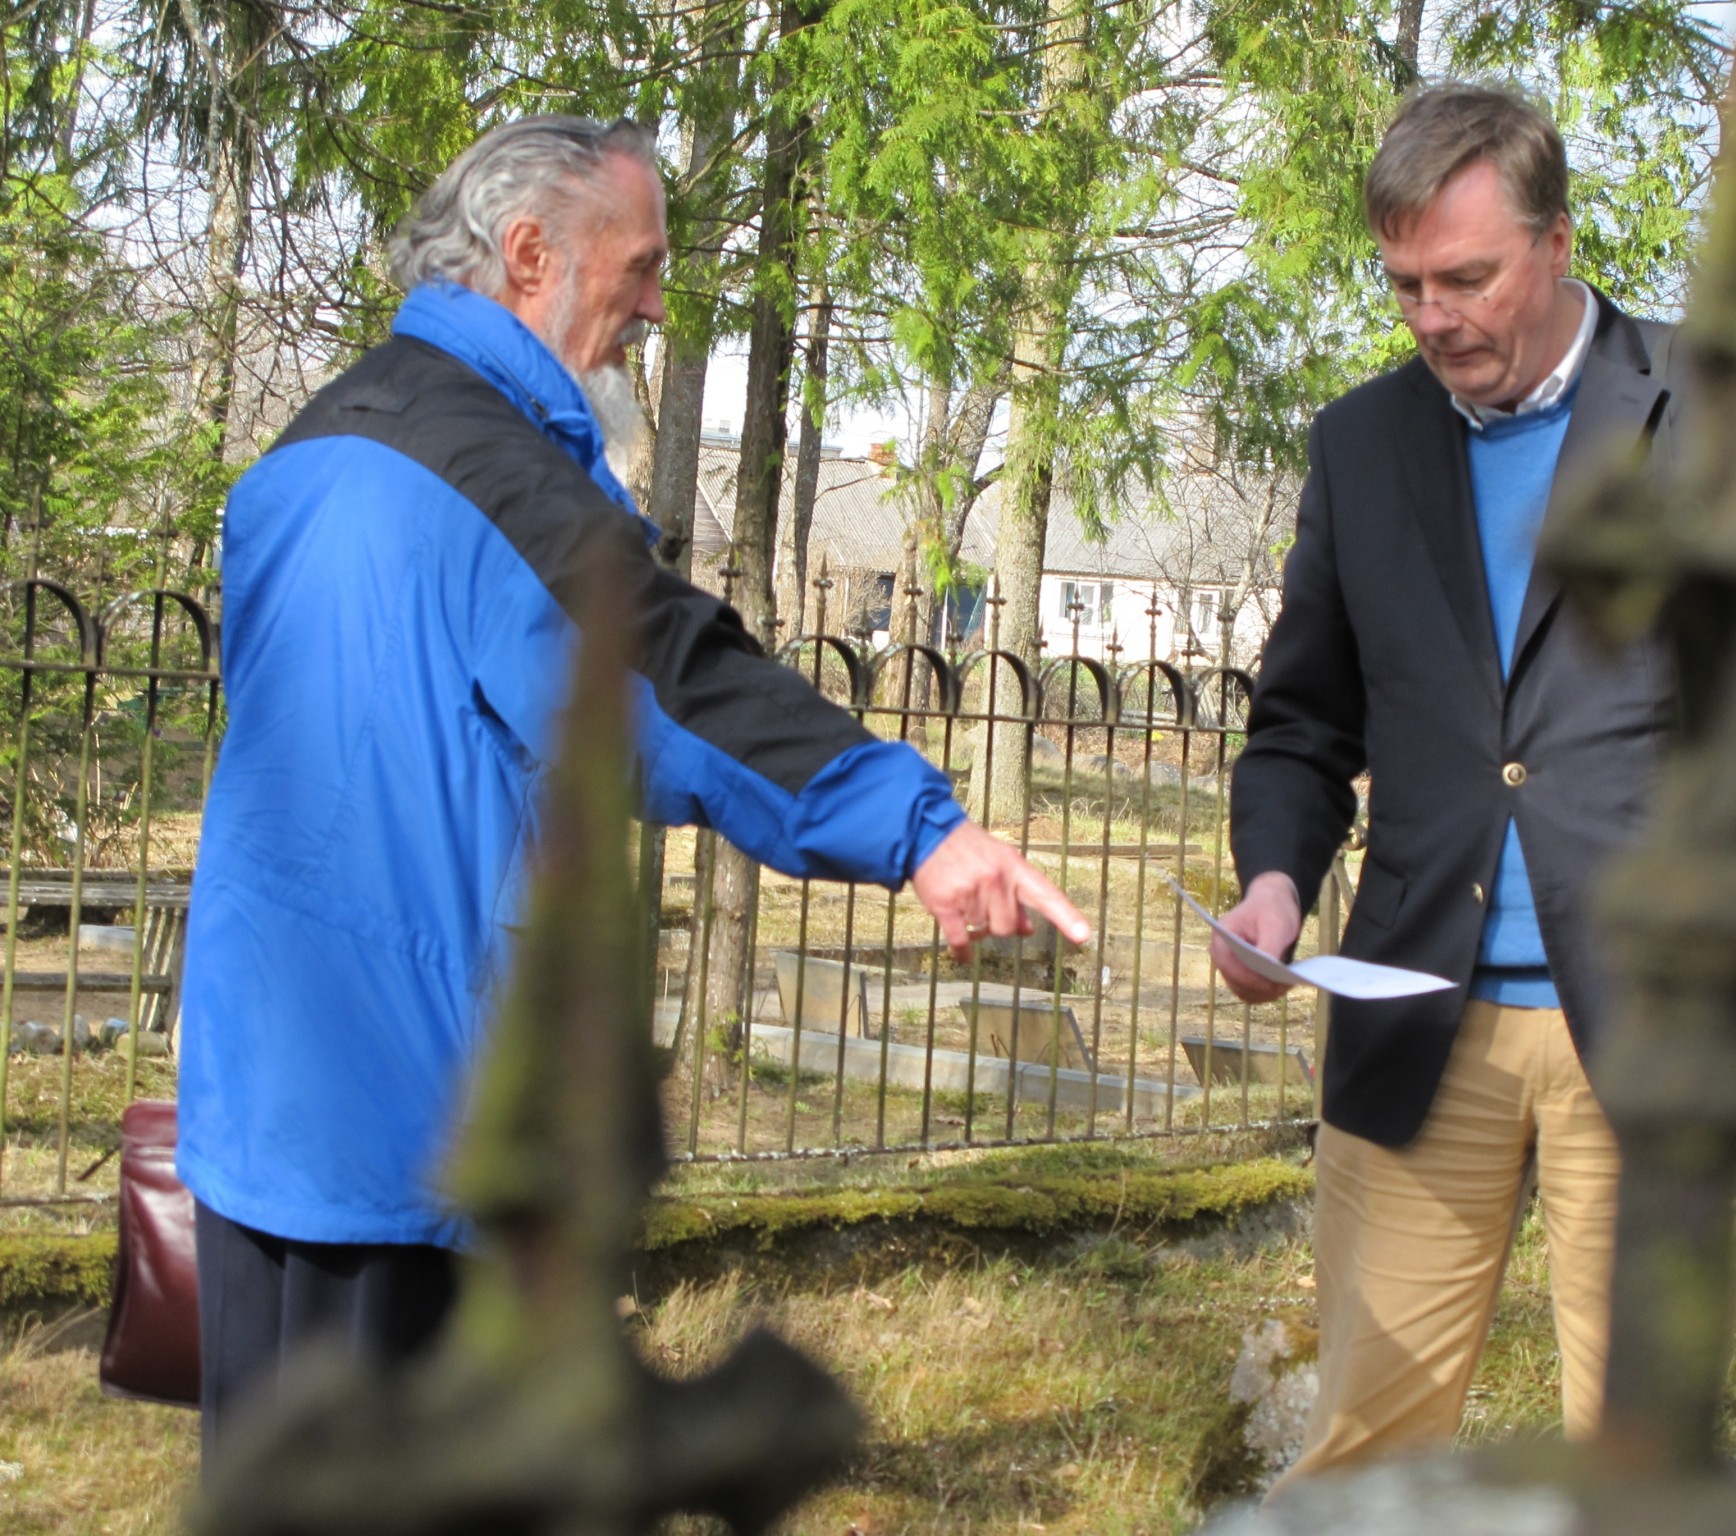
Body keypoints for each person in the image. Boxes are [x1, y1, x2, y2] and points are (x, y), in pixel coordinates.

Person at [177, 115, 1087, 1459]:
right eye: (643, 265)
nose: (659, 305)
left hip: (258, 1105)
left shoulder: (311, 445)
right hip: (414, 1129)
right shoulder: (495, 481)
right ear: (532, 253)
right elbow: (670, 688)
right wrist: (921, 833)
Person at [1211, 83, 1736, 1488]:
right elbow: (1301, 720)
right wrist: (1275, 878)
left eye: (1467, 277)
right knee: (1369, 1452)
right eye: (1406, 286)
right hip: (1417, 1017)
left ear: (1559, 241)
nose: (1435, 317)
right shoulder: (1360, 446)